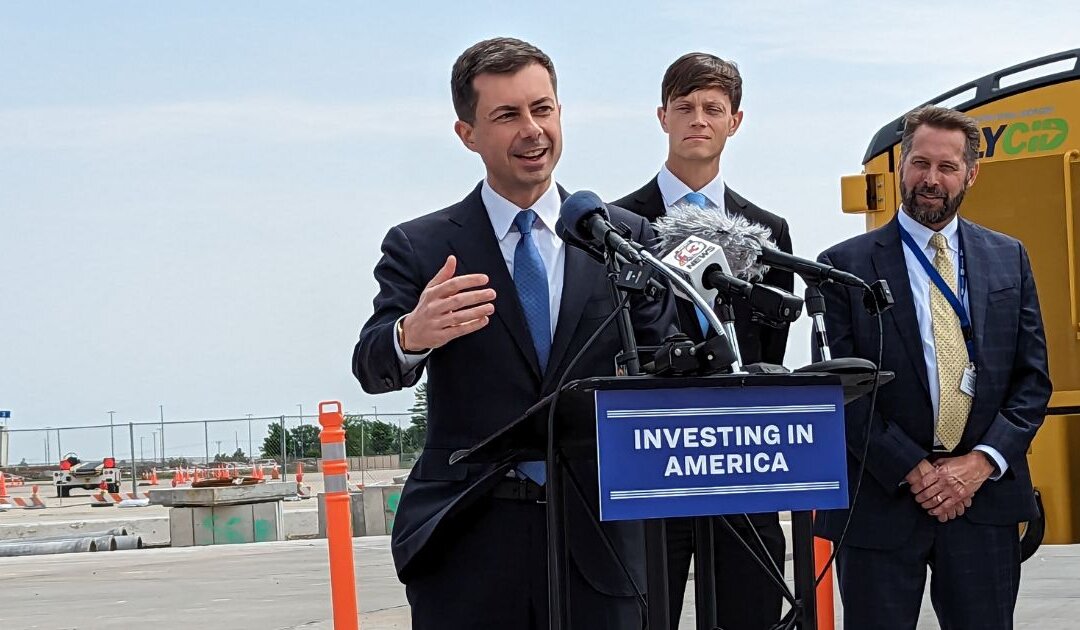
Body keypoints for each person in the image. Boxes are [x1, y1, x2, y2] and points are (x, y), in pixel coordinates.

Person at [353, 36, 676, 629]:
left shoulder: (622, 238)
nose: (532, 130)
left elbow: (664, 360)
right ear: (467, 133)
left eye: (543, 109)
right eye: (507, 115)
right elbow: (372, 362)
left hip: (601, 546)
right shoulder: (422, 245)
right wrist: (413, 332)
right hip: (469, 544)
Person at [815, 105, 1052, 629]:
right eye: (920, 164)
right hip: (880, 502)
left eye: (946, 168)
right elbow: (839, 389)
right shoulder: (841, 267)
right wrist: (915, 470)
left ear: (971, 173)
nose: (931, 179)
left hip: (983, 501)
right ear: (901, 166)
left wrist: (980, 464)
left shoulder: (1009, 258)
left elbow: (1032, 382)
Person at [614, 52, 792, 630]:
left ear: (735, 121)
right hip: (650, 457)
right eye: (684, 107)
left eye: (713, 108)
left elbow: (770, 352)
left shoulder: (768, 231)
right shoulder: (615, 225)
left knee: (752, 611)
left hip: (739, 456)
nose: (698, 119)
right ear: (661, 116)